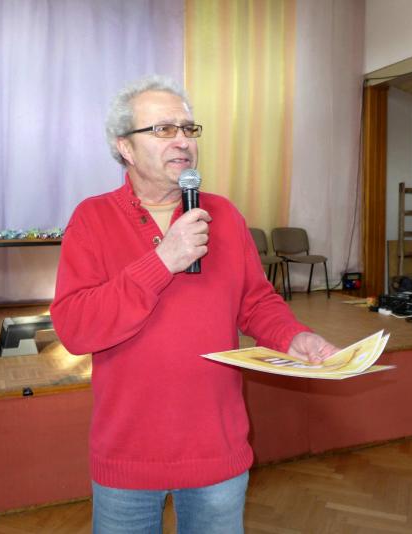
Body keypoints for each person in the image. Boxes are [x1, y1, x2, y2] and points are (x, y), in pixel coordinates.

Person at [50, 75, 338, 533]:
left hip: (216, 451)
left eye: (188, 129)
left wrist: (293, 336)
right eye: (163, 129)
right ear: (125, 147)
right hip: (127, 454)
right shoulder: (92, 218)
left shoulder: (223, 214)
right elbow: (76, 328)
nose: (182, 141)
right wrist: (162, 261)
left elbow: (256, 302)